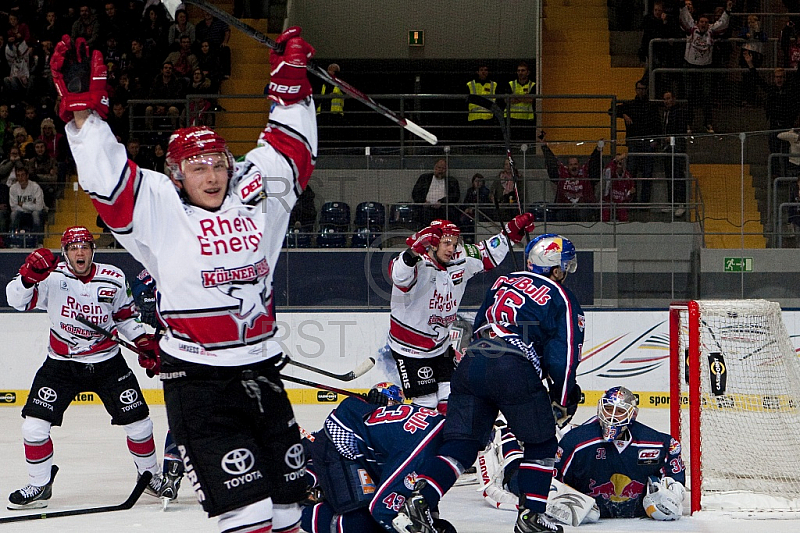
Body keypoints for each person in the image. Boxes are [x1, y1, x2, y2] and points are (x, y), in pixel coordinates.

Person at [53, 26, 317, 532]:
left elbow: (293, 152)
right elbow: (105, 177)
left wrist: (291, 92)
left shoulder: (257, 195)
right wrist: (85, 114)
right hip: (199, 386)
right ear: (177, 175)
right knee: (250, 520)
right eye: (198, 168)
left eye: (218, 163)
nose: (212, 176)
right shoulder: (158, 207)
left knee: (288, 514)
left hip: (264, 374)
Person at [393, 233, 585, 533]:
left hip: (473, 362)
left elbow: (480, 323)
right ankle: (531, 517)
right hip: (512, 366)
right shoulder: (562, 296)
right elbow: (564, 353)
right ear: (555, 268)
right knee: (542, 441)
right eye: (565, 266)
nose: (566, 272)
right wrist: (564, 396)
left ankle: (421, 499)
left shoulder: (502, 281)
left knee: (461, 443)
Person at [4, 227, 163, 509]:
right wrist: (27, 279)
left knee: (140, 424)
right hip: (62, 364)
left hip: (107, 363)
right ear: (65, 252)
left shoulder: (113, 277)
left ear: (93, 250)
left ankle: (151, 476)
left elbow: (124, 317)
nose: (80, 251)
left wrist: (142, 341)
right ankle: (40, 484)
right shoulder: (51, 277)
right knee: (33, 427)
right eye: (74, 247)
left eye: (85, 246)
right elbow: (15, 301)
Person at [388, 214, 535, 412]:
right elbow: (398, 275)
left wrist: (509, 233)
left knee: (450, 397)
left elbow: (486, 252)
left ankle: (448, 439)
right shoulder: (417, 263)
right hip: (410, 347)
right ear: (432, 243)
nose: (451, 248)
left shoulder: (460, 258)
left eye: (454, 243)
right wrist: (413, 250)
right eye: (446, 243)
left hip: (440, 345)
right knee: (426, 403)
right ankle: (423, 440)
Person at [300, 383, 454, 533]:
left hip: (361, 462)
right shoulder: (357, 414)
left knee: (370, 519)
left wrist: (431, 520)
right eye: (390, 401)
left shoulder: (401, 431)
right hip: (341, 455)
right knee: (359, 522)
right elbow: (318, 440)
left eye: (396, 403)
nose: (393, 405)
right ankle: (295, 511)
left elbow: (419, 485)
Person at [555, 386, 687, 520]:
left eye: (620, 411)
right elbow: (554, 482)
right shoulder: (574, 442)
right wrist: (569, 504)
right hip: (589, 522)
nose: (612, 416)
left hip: (640, 523)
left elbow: (674, 469)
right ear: (600, 409)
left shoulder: (656, 443)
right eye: (608, 409)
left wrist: (672, 492)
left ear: (632, 414)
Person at [745, 49, 800, 179]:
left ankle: (787, 175)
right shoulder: (771, 90)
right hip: (774, 125)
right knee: (774, 150)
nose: (778, 79)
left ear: (784, 78)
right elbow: (758, 81)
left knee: (787, 152)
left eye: (781, 77)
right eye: (776, 77)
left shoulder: (790, 90)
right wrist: (750, 65)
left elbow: (798, 77)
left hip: (787, 125)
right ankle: (775, 175)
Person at [679, 0, 732, 134]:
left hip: (706, 67)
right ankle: (688, 123)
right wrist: (683, 6)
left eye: (705, 22)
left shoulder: (711, 31)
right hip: (690, 65)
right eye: (701, 22)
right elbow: (685, 17)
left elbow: (722, 23)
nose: (703, 24)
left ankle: (708, 123)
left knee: (707, 95)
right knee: (689, 95)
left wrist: (728, 10)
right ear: (697, 23)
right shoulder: (691, 29)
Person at [617, 80, 659, 204]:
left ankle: (644, 202)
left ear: (646, 90)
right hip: (634, 143)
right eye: (639, 89)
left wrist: (655, 141)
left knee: (647, 173)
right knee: (631, 173)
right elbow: (611, 110)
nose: (641, 91)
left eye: (643, 89)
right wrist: (624, 114)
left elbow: (657, 124)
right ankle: (632, 200)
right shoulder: (629, 105)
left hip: (647, 143)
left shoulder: (651, 106)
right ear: (636, 90)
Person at [542, 139, 601, 222]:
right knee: (560, 215)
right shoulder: (562, 174)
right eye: (571, 164)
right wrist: (544, 147)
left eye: (575, 164)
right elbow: (552, 163)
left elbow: (593, 162)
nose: (574, 167)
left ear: (579, 165)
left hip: (583, 208)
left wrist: (598, 148)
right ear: (568, 166)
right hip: (566, 209)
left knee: (584, 214)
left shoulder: (585, 173)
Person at [660, 90, 688, 216]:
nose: (666, 101)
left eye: (668, 98)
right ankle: (671, 203)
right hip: (667, 148)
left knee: (678, 175)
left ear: (674, 99)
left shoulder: (680, 112)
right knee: (669, 175)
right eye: (665, 99)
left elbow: (681, 131)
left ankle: (681, 203)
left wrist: (671, 137)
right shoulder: (665, 113)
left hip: (677, 148)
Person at [411, 159, 461, 228]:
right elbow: (415, 193)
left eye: (443, 168)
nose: (440, 170)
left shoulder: (452, 181)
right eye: (439, 168)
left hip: (443, 208)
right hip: (426, 207)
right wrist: (423, 201)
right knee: (423, 214)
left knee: (449, 213)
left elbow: (455, 196)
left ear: (446, 170)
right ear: (435, 168)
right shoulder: (424, 178)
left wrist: (442, 202)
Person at [9, 163, 45, 234]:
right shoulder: (13, 188)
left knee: (36, 214)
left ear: (27, 176)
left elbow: (39, 207)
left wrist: (22, 205)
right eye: (18, 176)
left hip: (34, 212)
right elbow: (13, 207)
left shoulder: (35, 187)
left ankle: (38, 241)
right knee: (14, 214)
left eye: (22, 175)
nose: (20, 178)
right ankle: (13, 239)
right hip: (21, 213)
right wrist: (31, 206)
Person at [466, 63, 497, 140]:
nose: (483, 72)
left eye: (485, 70)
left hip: (489, 119)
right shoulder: (470, 84)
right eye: (481, 70)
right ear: (477, 72)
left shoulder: (494, 85)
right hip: (474, 119)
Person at [601, 153, 635, 222]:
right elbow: (608, 170)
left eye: (621, 160)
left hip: (621, 202)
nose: (620, 162)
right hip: (608, 200)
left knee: (623, 211)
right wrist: (615, 161)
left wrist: (631, 192)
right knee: (605, 212)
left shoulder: (628, 176)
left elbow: (630, 192)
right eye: (618, 160)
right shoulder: (610, 172)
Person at [506, 61, 535, 142]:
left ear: (528, 72)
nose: (520, 72)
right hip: (512, 118)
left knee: (524, 143)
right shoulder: (511, 84)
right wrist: (524, 97)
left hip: (526, 119)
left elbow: (530, 100)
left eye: (523, 70)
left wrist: (515, 96)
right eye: (518, 71)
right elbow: (507, 100)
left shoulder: (532, 85)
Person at [459, 172, 491, 240]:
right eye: (476, 181)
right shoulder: (470, 191)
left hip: (480, 213)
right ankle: (465, 238)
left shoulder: (486, 192)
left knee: (469, 220)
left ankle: (471, 238)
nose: (478, 183)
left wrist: (473, 210)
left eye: (480, 181)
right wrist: (466, 209)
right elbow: (465, 202)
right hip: (469, 213)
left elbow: (484, 205)